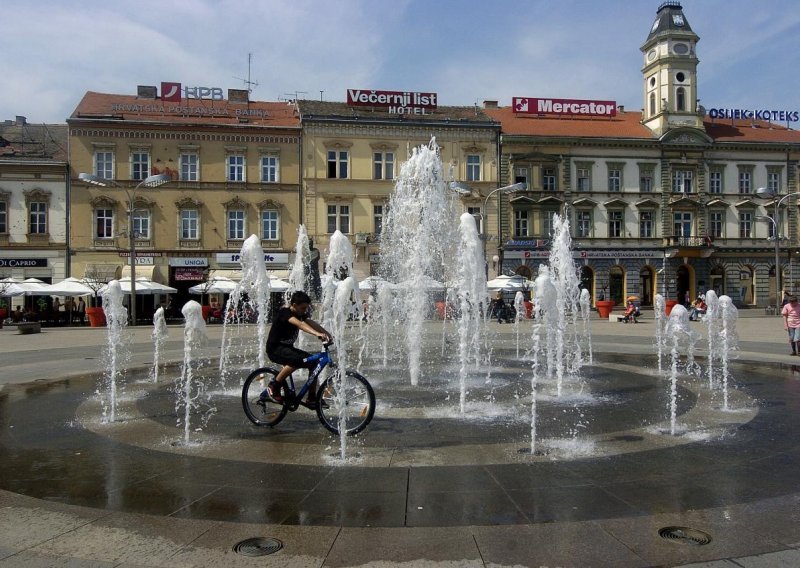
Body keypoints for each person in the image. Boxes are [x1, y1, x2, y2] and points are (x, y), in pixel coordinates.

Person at [263, 290, 333, 407]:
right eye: (303, 308)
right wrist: (317, 334)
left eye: (306, 308)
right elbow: (300, 325)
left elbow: (309, 322)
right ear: (294, 305)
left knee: (314, 362)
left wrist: (327, 333)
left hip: (287, 349)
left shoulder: (299, 314)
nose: (305, 311)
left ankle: (311, 398)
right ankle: (273, 387)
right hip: (275, 349)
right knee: (296, 360)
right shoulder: (285, 313)